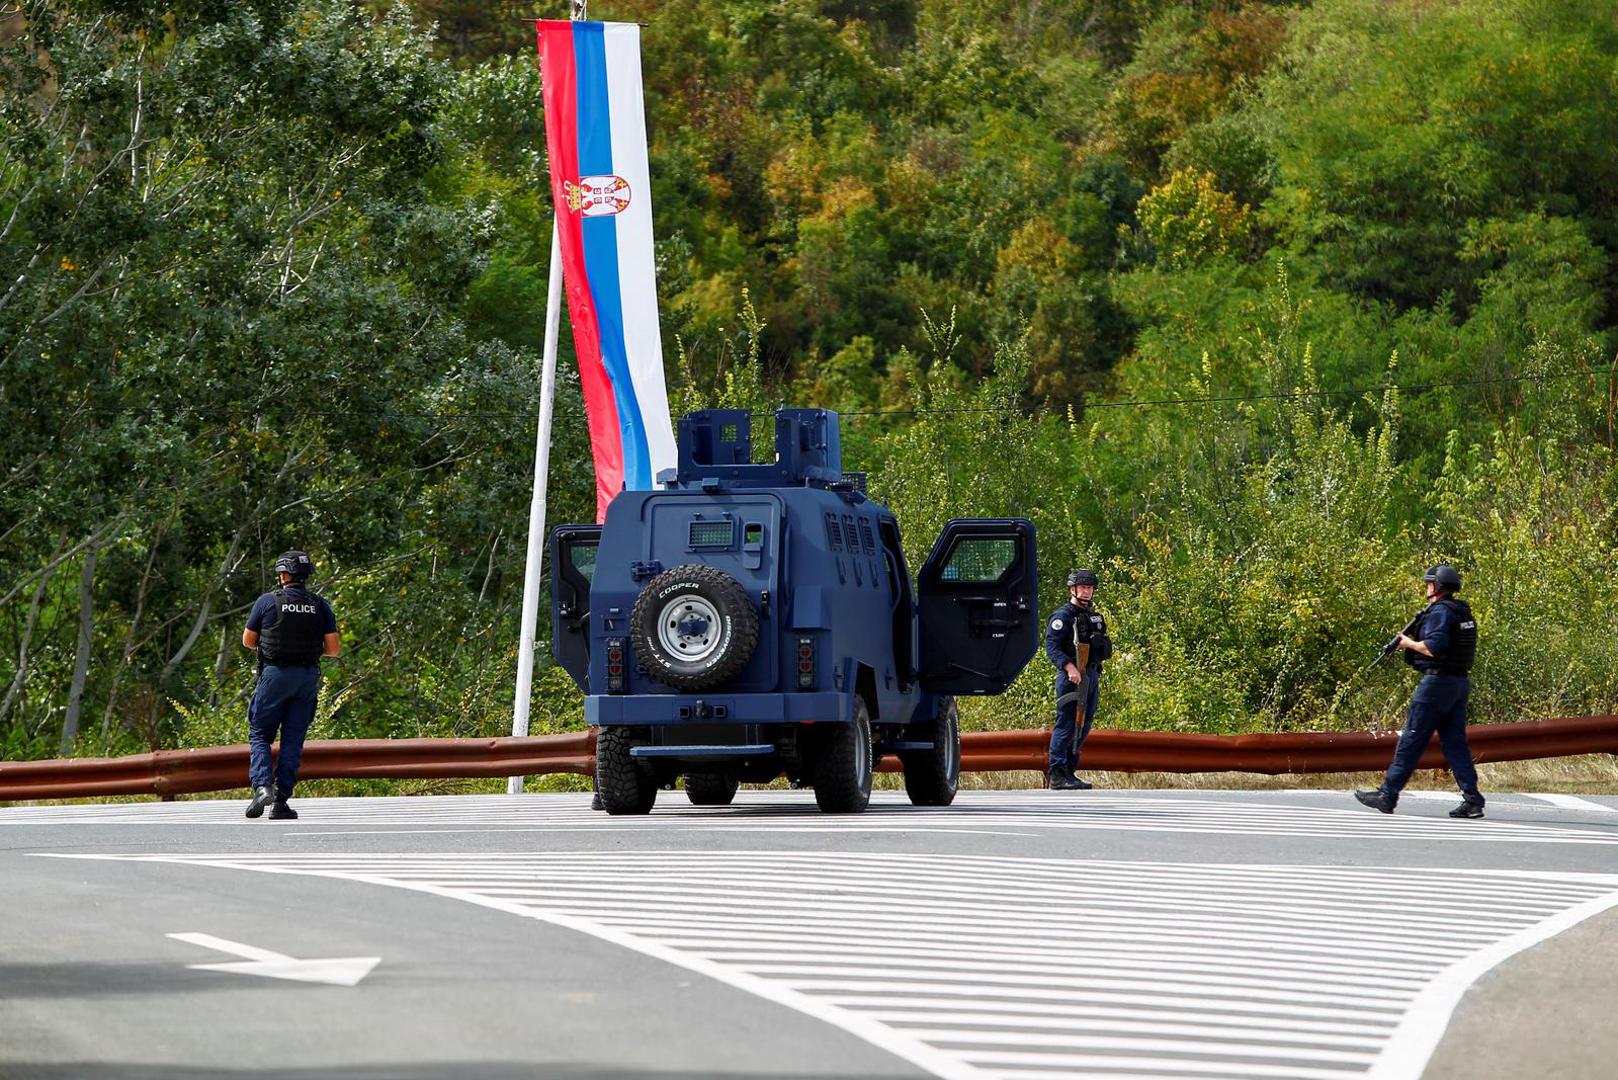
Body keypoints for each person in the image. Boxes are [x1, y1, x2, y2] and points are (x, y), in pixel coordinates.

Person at [1356, 563, 1484, 819]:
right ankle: (1473, 801)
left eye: (1429, 583)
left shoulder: (1441, 612)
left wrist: (1408, 643)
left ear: (1436, 586)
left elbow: (1435, 647)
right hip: (1458, 684)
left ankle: (1387, 795)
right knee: (1455, 744)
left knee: (1412, 739)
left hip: (1436, 684)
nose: (1427, 587)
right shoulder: (1462, 612)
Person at [240, 550, 339, 820]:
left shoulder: (268, 601)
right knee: (293, 740)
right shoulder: (320, 605)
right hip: (306, 679)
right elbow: (332, 649)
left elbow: (248, 641)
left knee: (260, 734)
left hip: (275, 675)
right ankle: (281, 802)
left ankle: (262, 786)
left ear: (284, 575)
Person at [1045, 568, 1112, 791]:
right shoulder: (1062, 617)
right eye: (1082, 587)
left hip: (1091, 674)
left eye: (1089, 588)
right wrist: (1069, 666)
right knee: (1066, 723)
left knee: (1084, 724)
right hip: (1071, 676)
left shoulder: (1093, 617)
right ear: (1073, 589)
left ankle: (1070, 771)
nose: (1086, 592)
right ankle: (1057, 772)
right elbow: (1051, 647)